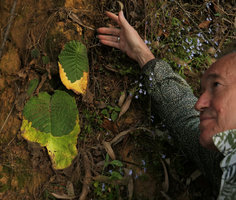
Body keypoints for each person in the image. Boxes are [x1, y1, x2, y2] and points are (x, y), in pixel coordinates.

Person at [97, 10, 236, 199]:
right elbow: (186, 121)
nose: (199, 104)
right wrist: (142, 55)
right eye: (203, 90)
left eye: (217, 85)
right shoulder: (225, 160)